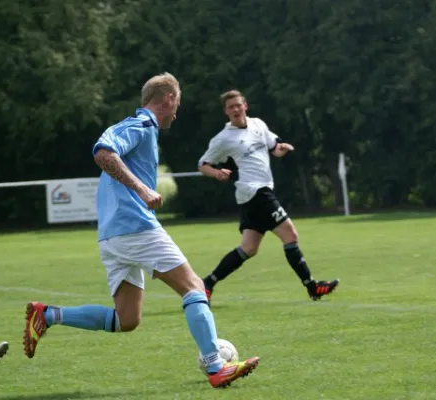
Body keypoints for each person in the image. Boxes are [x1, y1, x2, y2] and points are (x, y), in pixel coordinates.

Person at [23, 74, 259, 388]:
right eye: (178, 103)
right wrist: (143, 190)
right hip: (134, 225)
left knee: (126, 319)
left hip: (112, 235)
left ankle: (48, 315)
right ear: (168, 99)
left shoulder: (144, 130)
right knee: (194, 288)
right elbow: (103, 153)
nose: (177, 112)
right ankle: (216, 366)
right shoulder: (141, 124)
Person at [197, 90, 339, 303]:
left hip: (255, 194)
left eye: (238, 105)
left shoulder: (258, 125)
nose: (235, 109)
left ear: (245, 105)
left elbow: (274, 148)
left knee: (249, 248)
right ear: (226, 112)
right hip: (255, 191)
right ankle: (312, 286)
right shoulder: (223, 139)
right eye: (230, 107)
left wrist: (282, 148)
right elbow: (202, 164)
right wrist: (216, 172)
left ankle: (206, 283)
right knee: (290, 235)